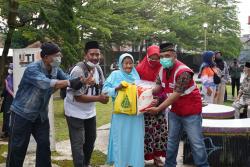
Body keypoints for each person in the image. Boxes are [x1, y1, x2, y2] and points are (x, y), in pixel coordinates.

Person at [6, 42, 84, 167]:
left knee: (44, 146)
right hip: (22, 114)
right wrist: (70, 82)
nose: (60, 57)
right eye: (56, 55)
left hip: (40, 116)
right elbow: (46, 83)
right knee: (17, 149)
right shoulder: (32, 69)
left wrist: (82, 81)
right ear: (46, 57)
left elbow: (68, 79)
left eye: (59, 55)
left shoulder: (55, 69)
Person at [146, 43, 209, 167]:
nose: (164, 59)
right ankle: (169, 165)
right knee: (171, 141)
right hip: (175, 110)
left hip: (191, 111)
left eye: (167, 56)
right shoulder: (162, 69)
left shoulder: (184, 72)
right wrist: (144, 92)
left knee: (196, 142)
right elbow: (158, 88)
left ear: (174, 56)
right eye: (162, 56)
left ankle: (203, 165)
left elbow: (176, 94)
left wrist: (158, 108)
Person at [64, 41, 109, 167]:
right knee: (78, 143)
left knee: (90, 141)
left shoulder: (98, 69)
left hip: (90, 112)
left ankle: (86, 164)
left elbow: (102, 87)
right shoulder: (78, 70)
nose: (95, 57)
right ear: (85, 55)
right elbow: (78, 97)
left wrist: (108, 93)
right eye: (92, 54)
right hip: (74, 112)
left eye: (97, 54)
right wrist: (99, 99)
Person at [103, 53, 144, 167]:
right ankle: (120, 163)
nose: (128, 66)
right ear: (121, 64)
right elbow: (105, 91)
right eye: (125, 63)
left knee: (135, 140)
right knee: (120, 140)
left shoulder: (136, 76)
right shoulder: (115, 75)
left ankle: (134, 163)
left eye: (131, 63)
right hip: (121, 115)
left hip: (135, 116)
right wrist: (117, 88)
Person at [136, 45, 167, 166]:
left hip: (159, 105)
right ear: (147, 56)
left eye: (157, 58)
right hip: (144, 106)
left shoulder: (163, 69)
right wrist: (146, 99)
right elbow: (136, 86)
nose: (154, 61)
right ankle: (140, 157)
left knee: (159, 132)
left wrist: (158, 100)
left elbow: (165, 87)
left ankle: (157, 157)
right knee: (145, 132)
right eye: (151, 58)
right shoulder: (139, 69)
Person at [0, 63, 14, 140]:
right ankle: (6, 132)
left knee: (8, 115)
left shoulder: (13, 78)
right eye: (10, 68)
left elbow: (7, 89)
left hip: (11, 99)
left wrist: (2, 95)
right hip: (8, 99)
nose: (10, 70)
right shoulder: (8, 78)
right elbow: (6, 90)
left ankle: (8, 132)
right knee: (7, 115)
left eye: (11, 68)